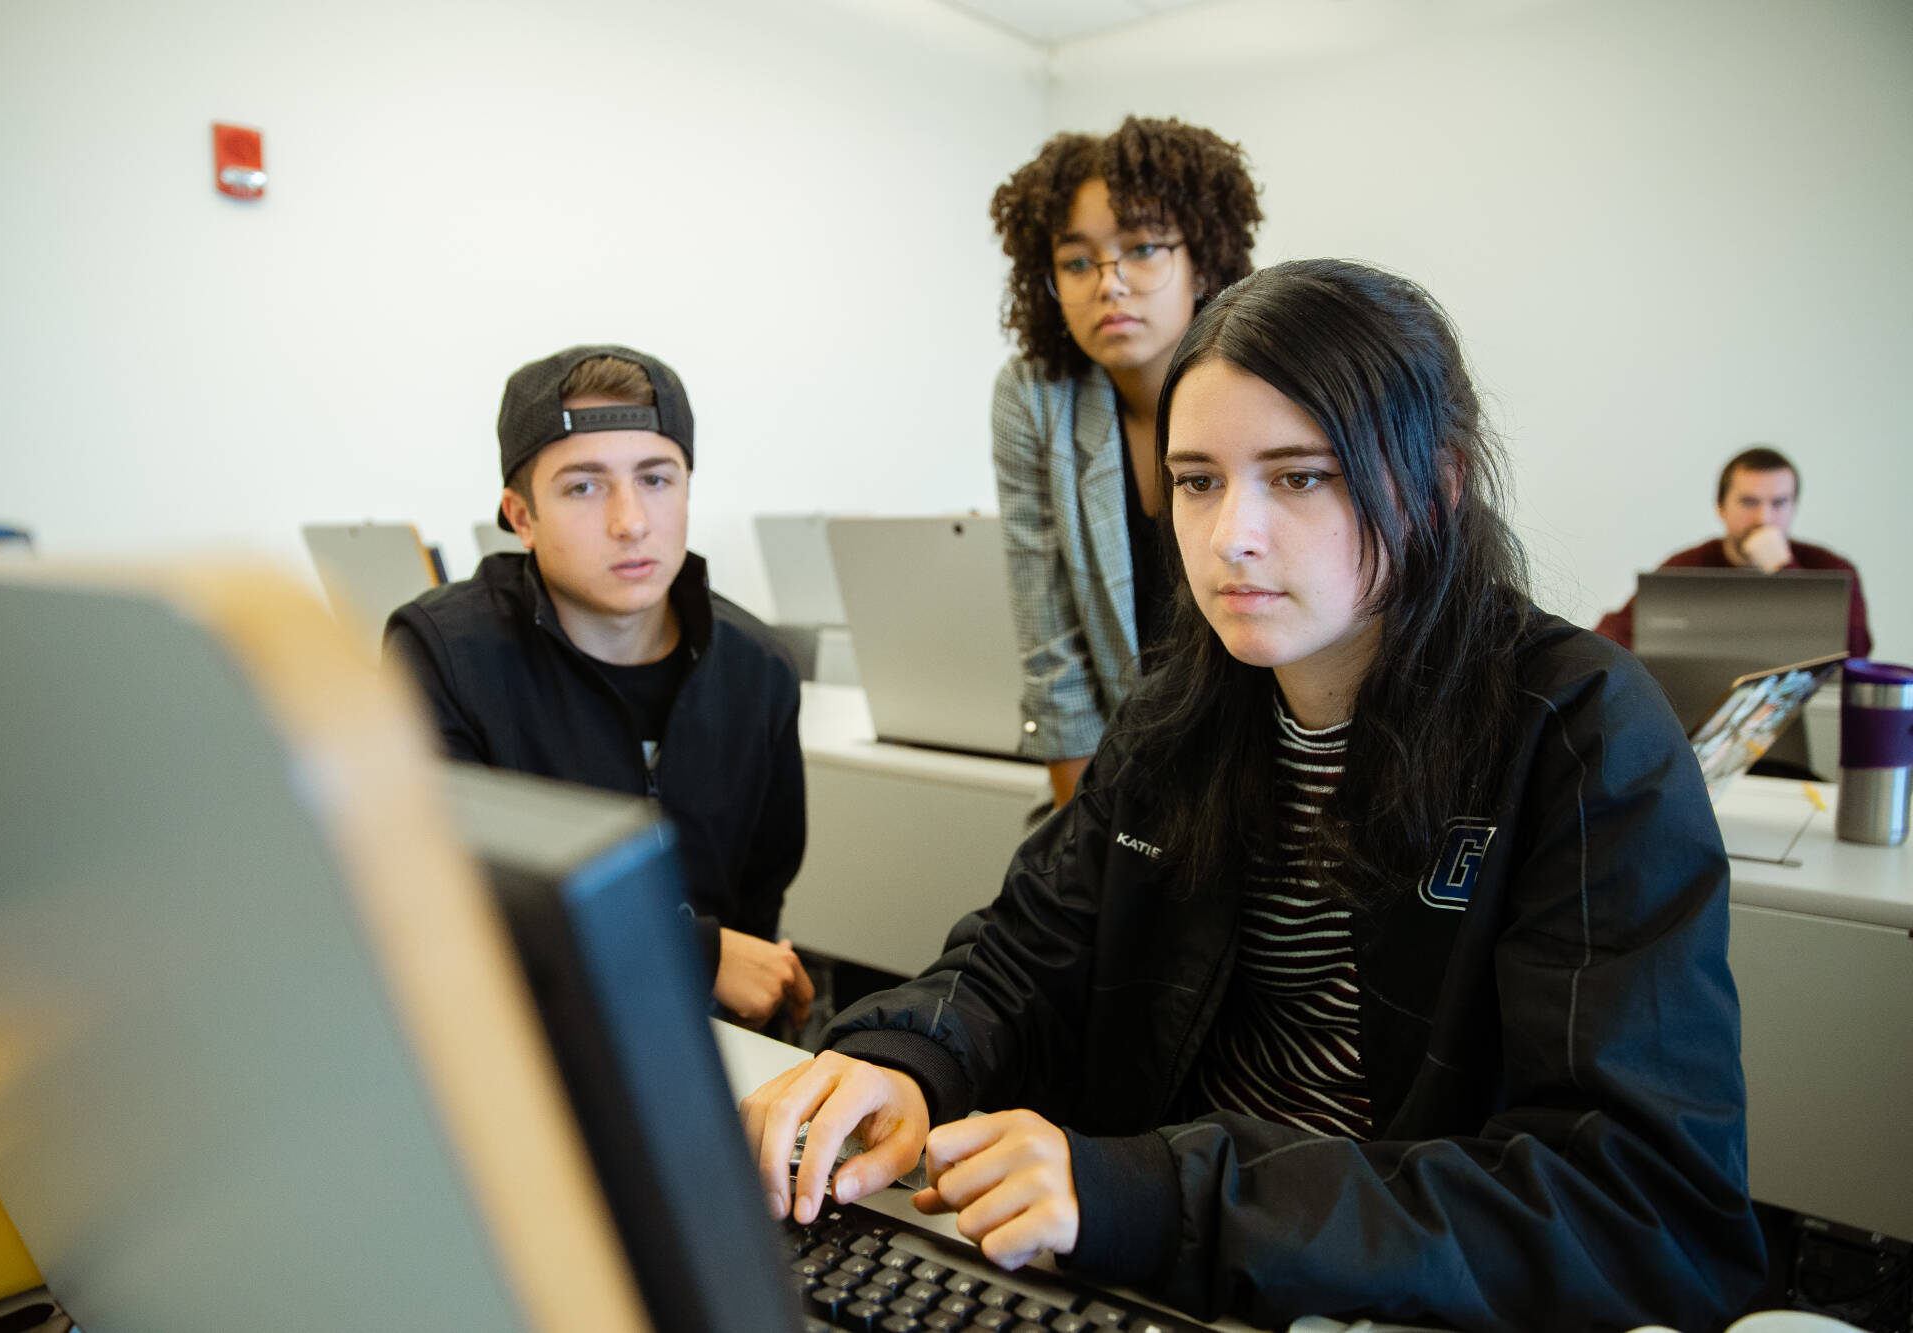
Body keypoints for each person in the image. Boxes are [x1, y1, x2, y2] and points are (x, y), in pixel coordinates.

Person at [740, 262, 1765, 1331]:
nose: (1229, 535)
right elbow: (1025, 950)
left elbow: (1639, 1208)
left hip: (1360, 1293)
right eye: (1195, 480)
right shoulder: (1182, 707)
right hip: (1155, 1272)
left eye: (1299, 477)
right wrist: (907, 1059)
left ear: (1439, 484)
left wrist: (1159, 1195)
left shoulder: (1580, 732)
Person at [385, 344, 813, 1032]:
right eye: (583, 486)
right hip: (520, 1039)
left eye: (656, 478)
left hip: (706, 1043)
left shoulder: (757, 670)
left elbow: (759, 904)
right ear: (521, 516)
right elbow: (451, 904)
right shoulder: (443, 655)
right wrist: (697, 953)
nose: (631, 520)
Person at [989, 116, 1264, 805]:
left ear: (1202, 257)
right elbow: (1051, 652)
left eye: (1142, 249)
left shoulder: (1269, 378)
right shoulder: (1036, 397)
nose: (1108, 284)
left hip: (1268, 756)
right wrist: (1087, 848)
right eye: (1077, 261)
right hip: (1126, 769)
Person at [1594, 445, 1872, 658]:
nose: (1763, 518)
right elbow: (1616, 634)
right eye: (1749, 502)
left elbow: (1854, 656)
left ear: (1794, 508)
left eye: (1779, 503)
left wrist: (1784, 571)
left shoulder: (1832, 571)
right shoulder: (1688, 568)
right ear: (1720, 508)